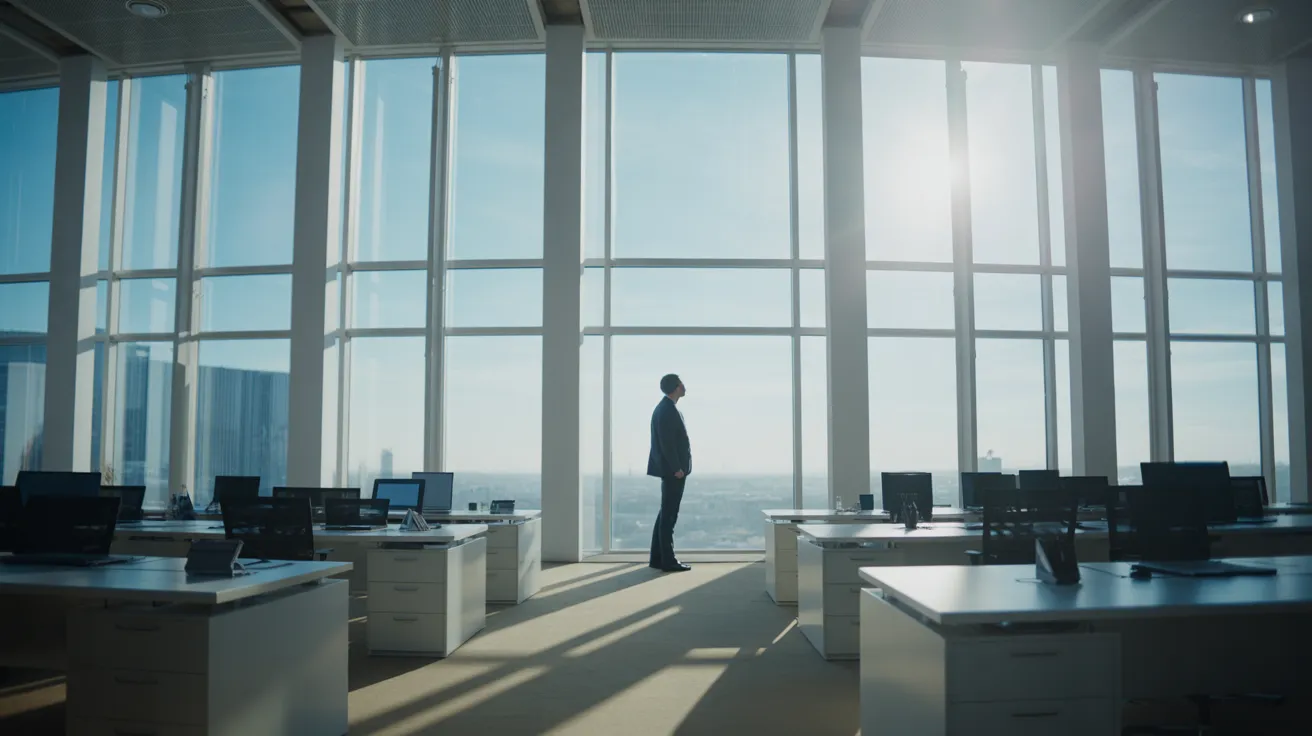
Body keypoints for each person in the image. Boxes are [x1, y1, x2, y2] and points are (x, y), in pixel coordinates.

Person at [648, 373, 691, 572]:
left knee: (665, 513)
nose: (684, 386)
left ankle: (658, 558)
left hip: (672, 470)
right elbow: (668, 444)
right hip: (674, 472)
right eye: (681, 383)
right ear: (676, 387)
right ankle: (668, 561)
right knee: (669, 516)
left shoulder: (665, 408)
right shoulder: (667, 410)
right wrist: (677, 468)